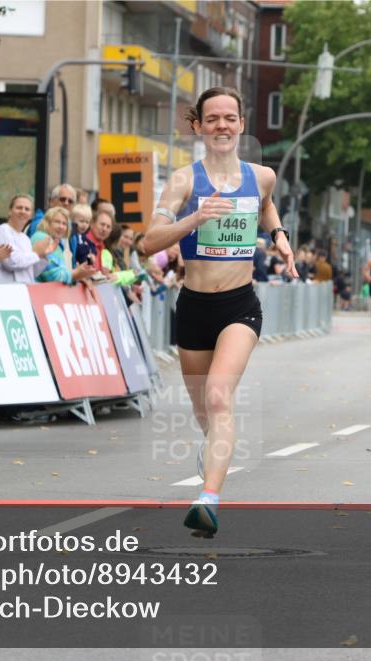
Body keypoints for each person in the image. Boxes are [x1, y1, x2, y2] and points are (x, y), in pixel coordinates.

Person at [143, 87, 296, 537]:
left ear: (242, 124)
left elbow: (265, 206)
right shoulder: (183, 182)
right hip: (192, 307)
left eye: (230, 118)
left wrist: (280, 235)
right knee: (205, 414)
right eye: (213, 119)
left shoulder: (261, 175)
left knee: (217, 397)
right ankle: (213, 451)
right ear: (199, 126)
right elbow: (149, 242)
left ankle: (207, 500)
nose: (222, 126)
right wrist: (195, 218)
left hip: (239, 306)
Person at [0, 194, 55, 283]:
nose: (23, 211)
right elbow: (11, 262)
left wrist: (42, 256)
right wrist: (36, 253)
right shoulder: (1, 230)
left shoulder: (26, 239)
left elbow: (30, 272)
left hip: (23, 291)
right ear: (10, 211)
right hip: (3, 291)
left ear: (31, 215)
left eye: (27, 209)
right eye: (19, 208)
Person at [31, 206, 94, 284]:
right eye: (57, 222)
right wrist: (76, 273)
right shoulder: (41, 237)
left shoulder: (56, 244)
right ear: (47, 223)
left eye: (64, 224)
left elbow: (63, 274)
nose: (61, 227)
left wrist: (79, 275)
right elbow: (53, 277)